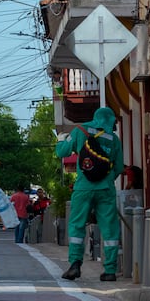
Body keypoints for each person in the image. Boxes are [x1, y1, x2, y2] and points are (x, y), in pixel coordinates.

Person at [55, 106, 124, 282]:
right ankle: (109, 270)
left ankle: (75, 265)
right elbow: (118, 168)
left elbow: (62, 152)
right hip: (105, 190)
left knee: (77, 225)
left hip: (83, 188)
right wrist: (106, 179)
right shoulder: (114, 139)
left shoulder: (80, 130)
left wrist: (61, 140)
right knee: (109, 229)